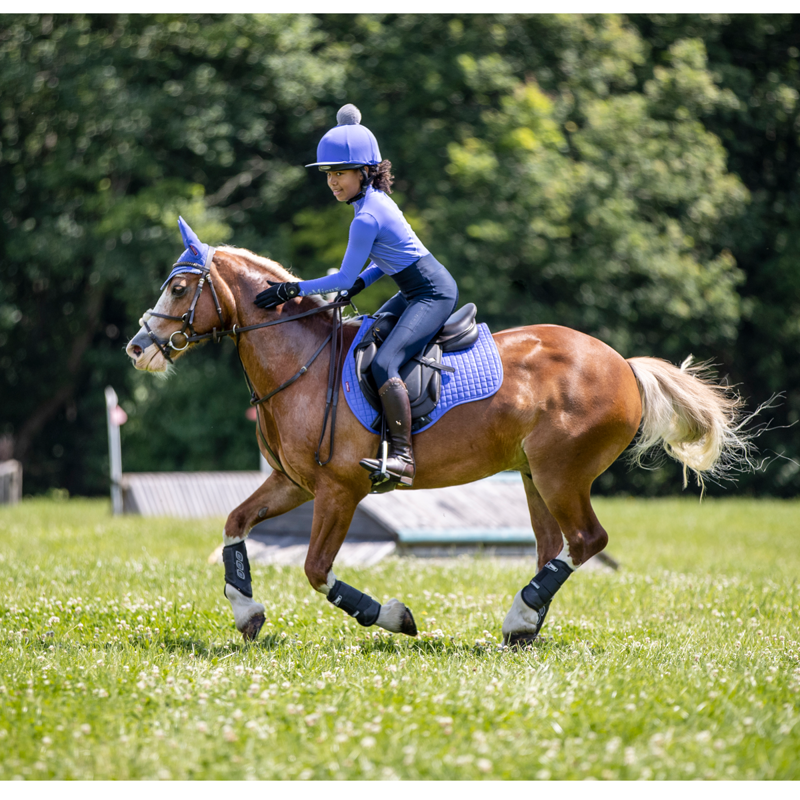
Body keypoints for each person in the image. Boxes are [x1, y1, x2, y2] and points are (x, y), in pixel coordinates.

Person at [254, 104, 459, 487]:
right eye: (328, 175)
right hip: (416, 289)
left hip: (431, 294)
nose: (333, 182)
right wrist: (362, 285)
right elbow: (388, 261)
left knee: (384, 364)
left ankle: (402, 457)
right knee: (366, 338)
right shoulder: (372, 204)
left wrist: (291, 289)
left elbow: (343, 277)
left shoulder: (366, 217)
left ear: (364, 173)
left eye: (340, 173)